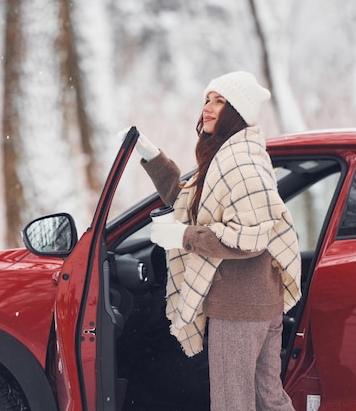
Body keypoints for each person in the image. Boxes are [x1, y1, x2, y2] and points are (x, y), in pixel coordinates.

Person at [127, 71, 301, 411]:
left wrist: (185, 236)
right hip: (258, 303)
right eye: (208, 99)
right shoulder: (232, 155)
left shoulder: (240, 162)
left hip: (239, 309)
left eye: (220, 101)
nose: (208, 107)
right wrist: (151, 157)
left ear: (237, 111)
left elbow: (250, 236)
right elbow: (189, 200)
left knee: (232, 404)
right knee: (269, 400)